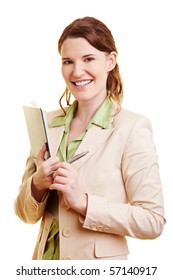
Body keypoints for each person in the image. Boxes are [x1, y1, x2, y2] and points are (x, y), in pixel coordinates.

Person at [14, 16, 166, 260]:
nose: (76, 71)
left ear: (110, 61)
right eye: (68, 61)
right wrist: (37, 184)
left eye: (88, 59)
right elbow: (24, 214)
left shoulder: (133, 128)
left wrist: (84, 202)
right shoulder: (47, 124)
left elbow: (152, 221)